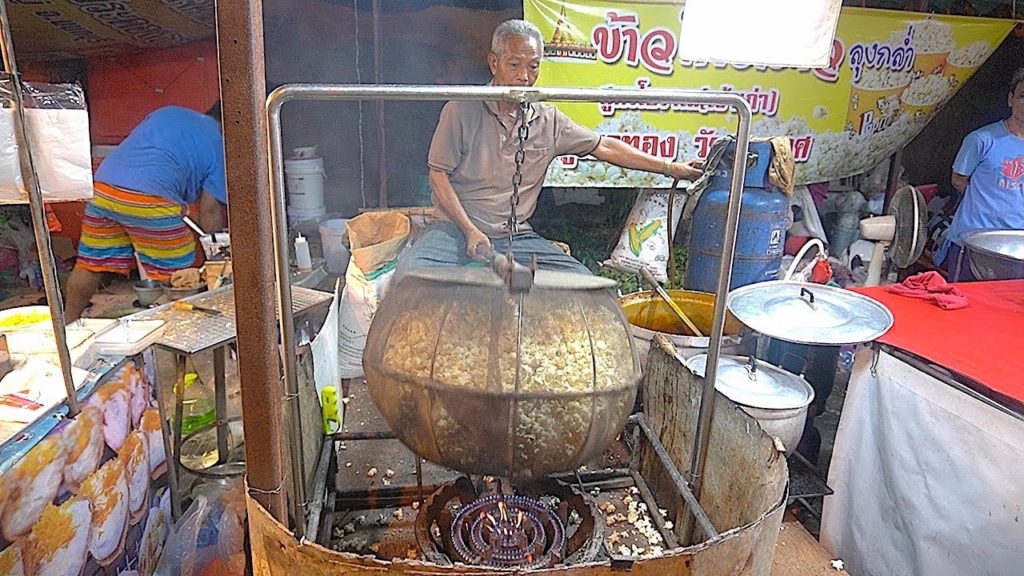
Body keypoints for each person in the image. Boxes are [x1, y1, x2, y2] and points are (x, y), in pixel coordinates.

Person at [397, 19, 702, 277]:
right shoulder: (461, 110)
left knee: (582, 282)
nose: (524, 77)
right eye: (514, 65)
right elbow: (438, 174)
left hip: (517, 236)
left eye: (533, 66)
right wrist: (469, 230)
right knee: (410, 275)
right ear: (494, 62)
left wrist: (669, 168)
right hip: (454, 230)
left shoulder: (548, 120)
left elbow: (604, 147)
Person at [65, 104, 226, 321]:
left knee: (89, 264)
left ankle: (68, 326)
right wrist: (216, 255)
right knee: (178, 278)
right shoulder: (220, 144)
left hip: (104, 186)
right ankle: (168, 338)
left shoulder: (168, 112)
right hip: (151, 197)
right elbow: (209, 211)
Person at [941, 67, 1024, 281]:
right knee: (962, 305)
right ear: (1010, 99)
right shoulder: (981, 140)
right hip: (972, 242)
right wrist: (989, 201)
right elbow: (959, 180)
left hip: (1016, 247)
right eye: (1023, 96)